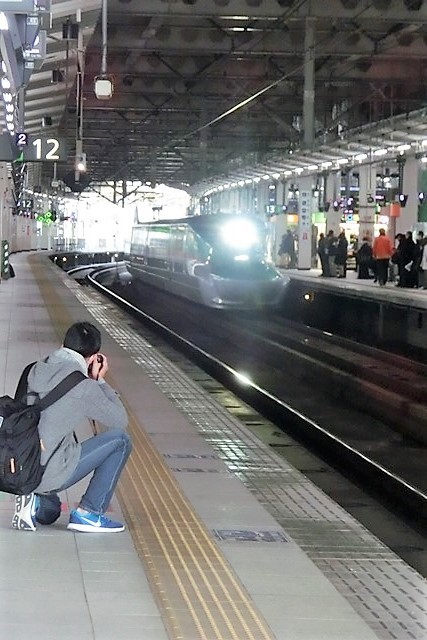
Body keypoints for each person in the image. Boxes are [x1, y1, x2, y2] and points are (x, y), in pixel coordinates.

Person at [12, 321, 132, 533]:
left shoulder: (32, 369)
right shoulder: (83, 385)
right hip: (49, 470)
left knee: (50, 514)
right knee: (121, 440)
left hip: (22, 464)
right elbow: (120, 421)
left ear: (62, 345)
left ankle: (33, 498)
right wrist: (100, 381)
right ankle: (89, 512)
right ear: (94, 357)